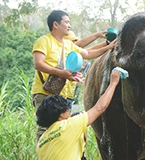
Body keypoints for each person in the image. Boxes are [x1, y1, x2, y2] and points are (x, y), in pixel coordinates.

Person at [31, 10, 116, 142]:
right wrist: (61, 73)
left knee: (62, 130)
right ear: (56, 24)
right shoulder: (44, 41)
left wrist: (109, 47)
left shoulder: (69, 44)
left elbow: (87, 54)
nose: (69, 25)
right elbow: (38, 64)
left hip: (63, 96)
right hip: (45, 93)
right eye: (66, 22)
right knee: (45, 130)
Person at [36, 70, 121, 159]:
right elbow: (99, 108)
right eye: (67, 108)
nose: (69, 110)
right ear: (60, 115)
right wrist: (113, 83)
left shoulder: (41, 141)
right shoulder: (68, 126)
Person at [64, 30, 111, 109]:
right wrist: (106, 43)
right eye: (73, 41)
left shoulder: (76, 54)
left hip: (68, 95)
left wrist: (107, 43)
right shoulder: (66, 53)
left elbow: (90, 50)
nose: (76, 44)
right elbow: (88, 51)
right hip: (60, 93)